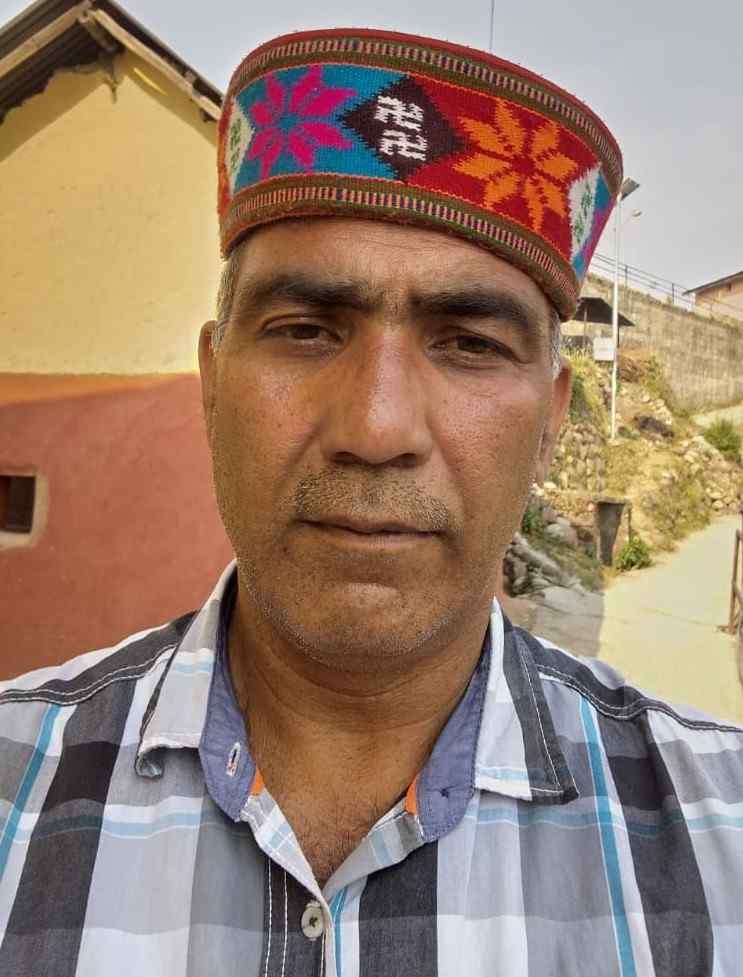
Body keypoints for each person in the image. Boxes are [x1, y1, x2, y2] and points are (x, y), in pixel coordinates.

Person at [1, 27, 740, 977]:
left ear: (550, 421)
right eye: (306, 329)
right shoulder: (17, 785)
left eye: (469, 344)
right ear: (212, 382)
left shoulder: (716, 839)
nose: (378, 425)